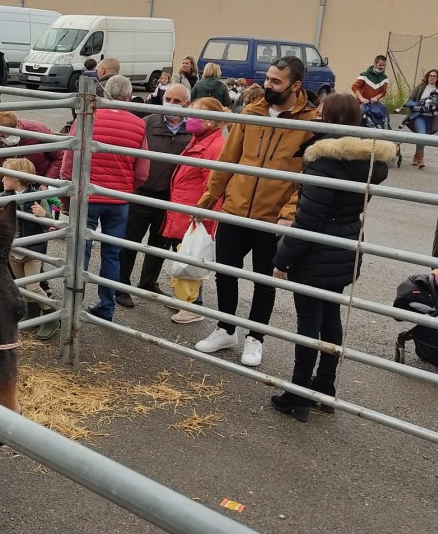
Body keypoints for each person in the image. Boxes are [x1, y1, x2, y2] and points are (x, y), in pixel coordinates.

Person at [270, 93, 395, 422]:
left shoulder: (323, 160)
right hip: (346, 247)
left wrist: (283, 258)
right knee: (331, 317)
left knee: (308, 323)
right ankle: (325, 388)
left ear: (330, 118)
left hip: (316, 252)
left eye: (321, 112)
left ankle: (298, 394)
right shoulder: (365, 159)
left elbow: (309, 219)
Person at [193, 55, 320, 367]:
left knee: (265, 281)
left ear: (296, 85)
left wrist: (289, 211)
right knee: (226, 272)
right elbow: (226, 160)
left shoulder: (310, 123)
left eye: (276, 81)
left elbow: (306, 175)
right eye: (268, 79)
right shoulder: (251, 112)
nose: (268, 85)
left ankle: (256, 337)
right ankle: (225, 328)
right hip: (235, 210)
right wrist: (208, 201)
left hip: (272, 217)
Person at [60, 75, 150, 321]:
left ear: (104, 94)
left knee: (81, 249)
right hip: (118, 198)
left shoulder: (86, 118)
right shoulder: (138, 125)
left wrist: (66, 197)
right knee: (112, 253)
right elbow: (142, 170)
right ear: (128, 97)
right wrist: (128, 186)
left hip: (86, 194)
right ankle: (106, 307)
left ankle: (73, 305)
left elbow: (69, 161)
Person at [116, 82, 192, 308]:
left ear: (187, 105)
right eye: (168, 99)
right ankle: (121, 286)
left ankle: (148, 282)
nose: (171, 104)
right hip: (141, 193)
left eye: (177, 101)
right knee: (130, 242)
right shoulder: (147, 123)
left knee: (160, 244)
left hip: (169, 197)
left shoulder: (191, 130)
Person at [163, 97, 228, 324]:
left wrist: (205, 215)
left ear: (211, 120)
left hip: (194, 212)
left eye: (195, 115)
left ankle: (193, 306)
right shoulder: (199, 140)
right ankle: (184, 299)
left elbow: (212, 186)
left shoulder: (215, 147)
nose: (189, 119)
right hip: (185, 209)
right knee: (183, 254)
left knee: (191, 257)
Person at [0, 157, 60, 340]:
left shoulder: (37, 198)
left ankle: (52, 317)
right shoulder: (5, 197)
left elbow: (53, 224)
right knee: (23, 285)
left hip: (32, 251)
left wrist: (44, 215)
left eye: (5, 176)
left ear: (17, 178)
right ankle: (32, 314)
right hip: (13, 250)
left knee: (33, 286)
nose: (2, 180)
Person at [0, 111, 63, 179]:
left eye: (4, 135)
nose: (0, 138)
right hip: (11, 180)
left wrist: (46, 181)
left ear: (17, 126)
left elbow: (59, 156)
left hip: (39, 178)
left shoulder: (38, 133)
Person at [403, 69, 438, 168]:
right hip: (419, 116)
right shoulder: (420, 87)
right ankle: (421, 159)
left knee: (424, 138)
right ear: (427, 77)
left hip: (432, 118)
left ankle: (416, 156)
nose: (432, 78)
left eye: (434, 76)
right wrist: (415, 106)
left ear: (437, 78)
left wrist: (436, 104)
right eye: (430, 76)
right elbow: (410, 99)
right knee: (421, 135)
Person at [352, 54, 389, 126]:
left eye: (384, 66)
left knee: (384, 114)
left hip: (373, 105)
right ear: (375, 64)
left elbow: (383, 92)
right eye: (380, 65)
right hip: (361, 104)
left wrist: (376, 97)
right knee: (358, 120)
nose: (382, 67)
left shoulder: (385, 78)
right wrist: (361, 98)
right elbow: (354, 87)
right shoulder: (364, 75)